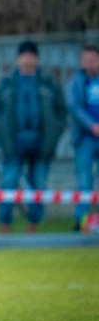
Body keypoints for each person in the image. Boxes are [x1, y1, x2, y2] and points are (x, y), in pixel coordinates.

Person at [0, 41, 66, 233]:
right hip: (13, 143)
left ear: (36, 58)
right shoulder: (7, 82)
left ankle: (34, 224)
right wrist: (2, 137)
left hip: (41, 142)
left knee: (38, 184)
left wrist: (53, 136)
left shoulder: (48, 82)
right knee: (9, 182)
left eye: (31, 55)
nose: (27, 59)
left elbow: (60, 112)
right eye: (24, 55)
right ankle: (4, 224)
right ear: (18, 58)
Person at [66, 44, 99, 231]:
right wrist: (91, 125)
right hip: (85, 138)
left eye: (92, 59)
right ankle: (81, 221)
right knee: (84, 181)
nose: (88, 62)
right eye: (85, 59)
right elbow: (73, 106)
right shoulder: (76, 81)